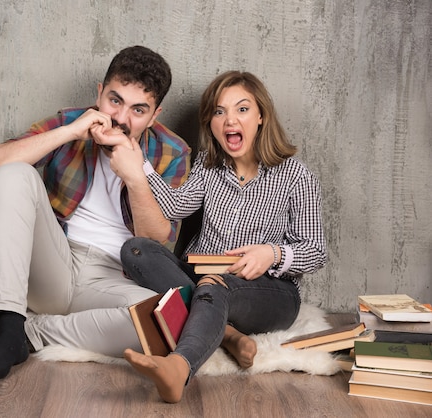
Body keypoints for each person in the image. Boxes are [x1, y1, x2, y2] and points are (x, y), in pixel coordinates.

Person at [0, 46, 191, 382]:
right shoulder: (71, 122)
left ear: (154, 115)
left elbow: (156, 241)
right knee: (12, 172)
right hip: (54, 264)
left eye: (138, 109)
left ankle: (21, 332)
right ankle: (9, 315)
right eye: (114, 100)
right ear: (99, 93)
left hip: (113, 279)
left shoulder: (173, 152)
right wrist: (71, 132)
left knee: (164, 322)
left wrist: (135, 175)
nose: (120, 118)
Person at [118, 70, 327, 403]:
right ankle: (227, 335)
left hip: (268, 292)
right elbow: (174, 207)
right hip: (200, 276)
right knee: (136, 250)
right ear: (211, 123)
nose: (230, 119)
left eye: (242, 109)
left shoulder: (295, 175)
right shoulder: (208, 165)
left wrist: (270, 254)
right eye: (219, 111)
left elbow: (315, 251)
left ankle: (179, 366)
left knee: (214, 284)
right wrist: (138, 164)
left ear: (261, 116)